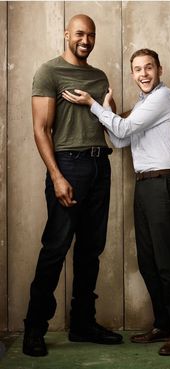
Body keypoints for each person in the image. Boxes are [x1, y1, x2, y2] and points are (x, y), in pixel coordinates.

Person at [62, 48, 170, 356]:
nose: (143, 73)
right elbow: (121, 140)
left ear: (159, 70)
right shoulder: (143, 103)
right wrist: (110, 108)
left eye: (149, 67)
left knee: (167, 262)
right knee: (149, 262)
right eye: (137, 69)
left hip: (164, 183)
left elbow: (121, 129)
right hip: (146, 186)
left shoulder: (164, 97)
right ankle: (163, 324)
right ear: (133, 74)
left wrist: (95, 105)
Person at [23, 14, 123, 357]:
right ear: (67, 34)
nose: (86, 39)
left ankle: (83, 323)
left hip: (100, 164)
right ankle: (34, 328)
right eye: (80, 33)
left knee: (90, 250)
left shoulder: (99, 76)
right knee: (55, 248)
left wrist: (115, 110)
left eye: (91, 35)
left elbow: (107, 121)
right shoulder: (48, 72)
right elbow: (41, 129)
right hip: (68, 165)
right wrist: (57, 176)